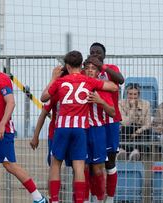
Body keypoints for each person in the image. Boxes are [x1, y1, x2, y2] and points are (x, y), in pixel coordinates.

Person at [40, 51, 118, 203]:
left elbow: (44, 97)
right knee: (79, 166)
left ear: (67, 66)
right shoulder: (88, 81)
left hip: (63, 128)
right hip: (80, 129)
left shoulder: (61, 81)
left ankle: (54, 200)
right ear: (81, 65)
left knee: (55, 164)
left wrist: (53, 78)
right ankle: (82, 200)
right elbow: (114, 87)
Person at [0, 52, 47, 203]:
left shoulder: (1, 79)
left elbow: (11, 102)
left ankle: (38, 197)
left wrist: (2, 125)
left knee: (9, 165)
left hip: (2, 131)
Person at [89, 42, 124, 203]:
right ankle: (96, 198)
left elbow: (121, 80)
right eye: (92, 52)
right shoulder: (88, 71)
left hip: (110, 121)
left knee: (110, 161)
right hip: (94, 123)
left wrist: (101, 67)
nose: (95, 55)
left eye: (98, 52)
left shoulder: (110, 69)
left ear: (104, 55)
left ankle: (110, 199)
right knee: (93, 164)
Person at [84, 56, 116, 203]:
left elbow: (113, 112)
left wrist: (100, 101)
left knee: (98, 169)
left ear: (98, 72)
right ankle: (83, 199)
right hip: (81, 132)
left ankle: (99, 199)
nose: (90, 71)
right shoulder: (78, 86)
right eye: (88, 68)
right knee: (82, 168)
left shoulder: (103, 88)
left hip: (97, 131)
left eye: (93, 68)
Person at [119, 83, 152, 161]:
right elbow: (125, 123)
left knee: (146, 130)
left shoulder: (146, 104)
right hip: (127, 129)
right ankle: (123, 150)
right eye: (130, 94)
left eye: (135, 94)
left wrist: (137, 131)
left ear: (139, 95)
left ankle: (136, 151)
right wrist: (133, 108)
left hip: (140, 130)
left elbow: (147, 124)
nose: (132, 96)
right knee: (126, 127)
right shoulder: (120, 103)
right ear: (127, 94)